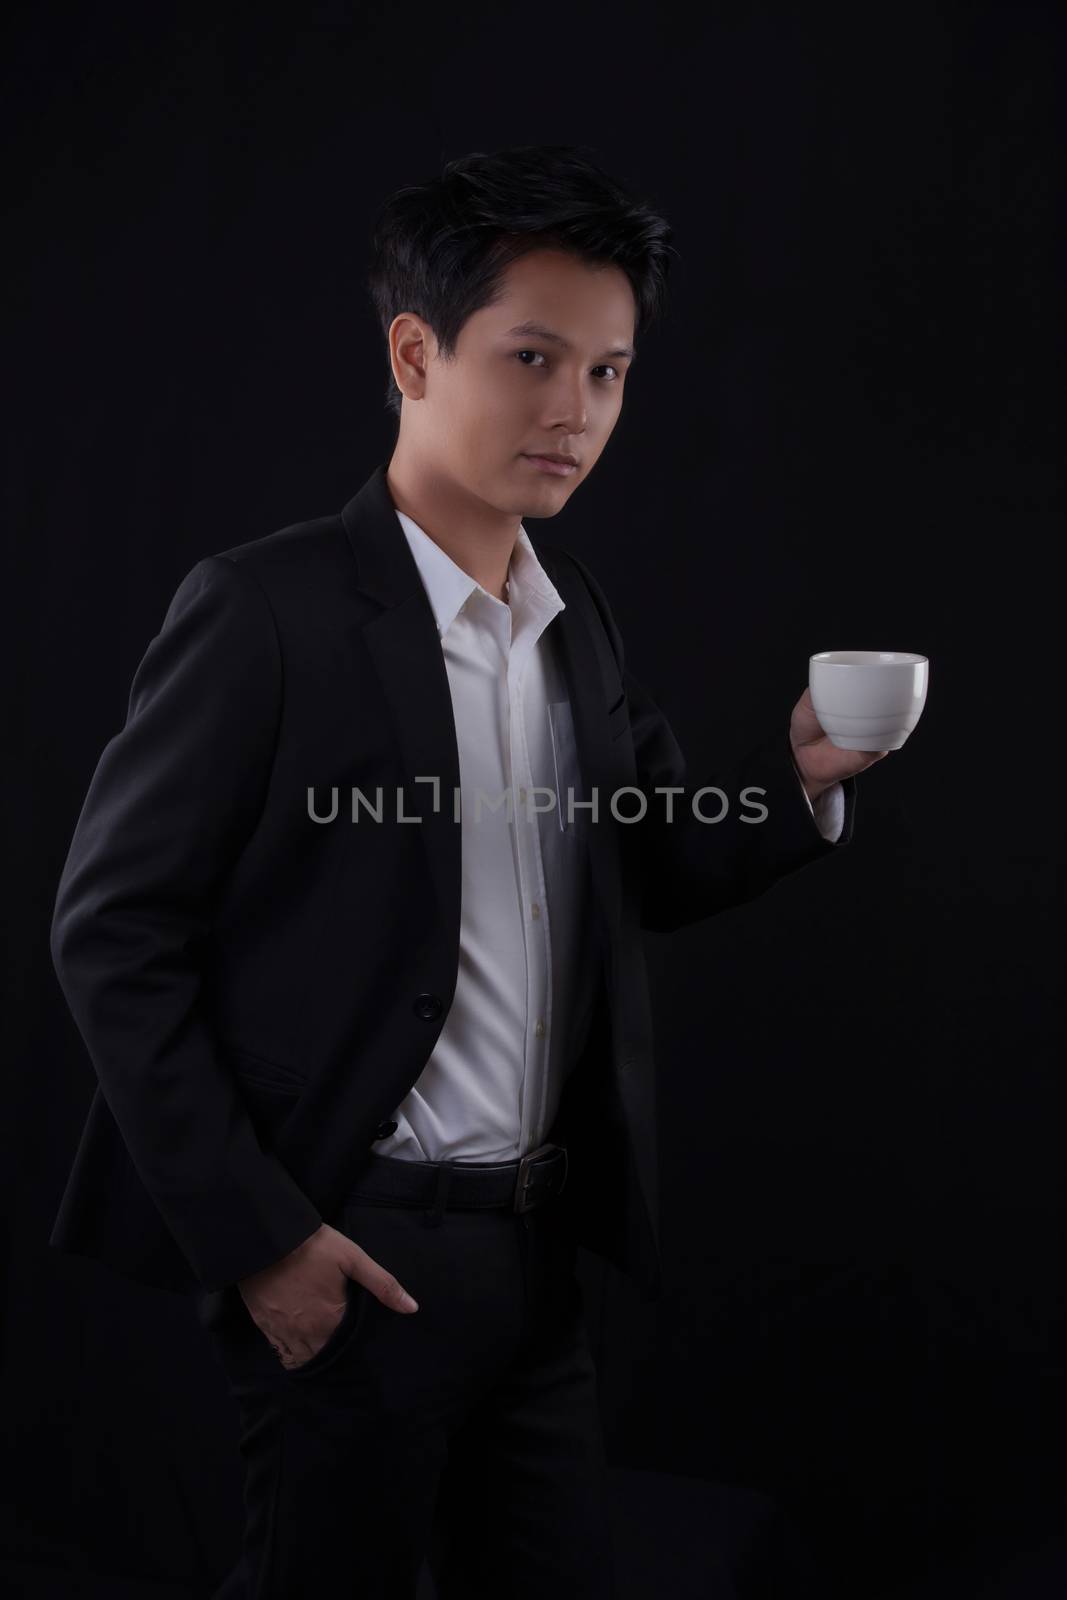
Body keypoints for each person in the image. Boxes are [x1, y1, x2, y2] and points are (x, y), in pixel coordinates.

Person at [48, 143, 885, 1599]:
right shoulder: (268, 612)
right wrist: (264, 1242)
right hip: (350, 1251)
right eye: (536, 356)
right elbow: (112, 932)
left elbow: (655, 859)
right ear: (415, 353)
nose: (575, 410)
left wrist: (800, 785)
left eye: (612, 373)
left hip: (539, 1261)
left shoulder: (577, 626)